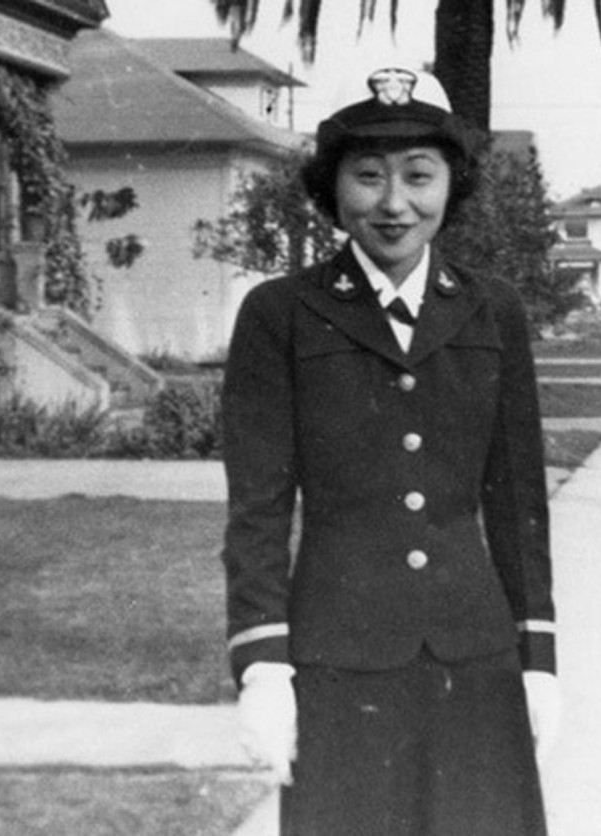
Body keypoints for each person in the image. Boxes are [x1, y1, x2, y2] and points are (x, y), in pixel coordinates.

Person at [220, 63, 560, 836]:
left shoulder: (493, 311)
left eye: (419, 175)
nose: (394, 202)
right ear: (333, 188)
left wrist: (538, 659)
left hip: (475, 660)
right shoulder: (280, 314)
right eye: (369, 176)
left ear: (452, 184)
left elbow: (518, 503)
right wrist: (265, 666)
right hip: (338, 660)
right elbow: (258, 508)